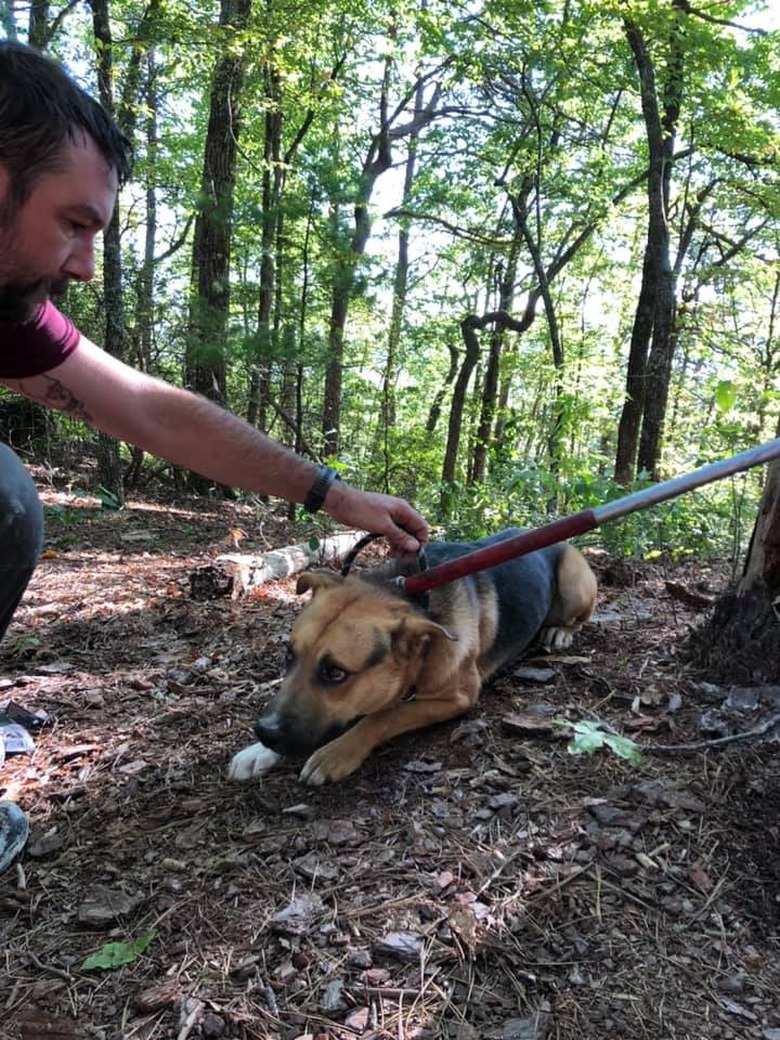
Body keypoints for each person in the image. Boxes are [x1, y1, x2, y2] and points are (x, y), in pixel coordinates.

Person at [0, 40, 428, 872]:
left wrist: (331, 492)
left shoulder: (12, 311)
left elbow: (150, 410)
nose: (86, 265)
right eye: (74, 223)